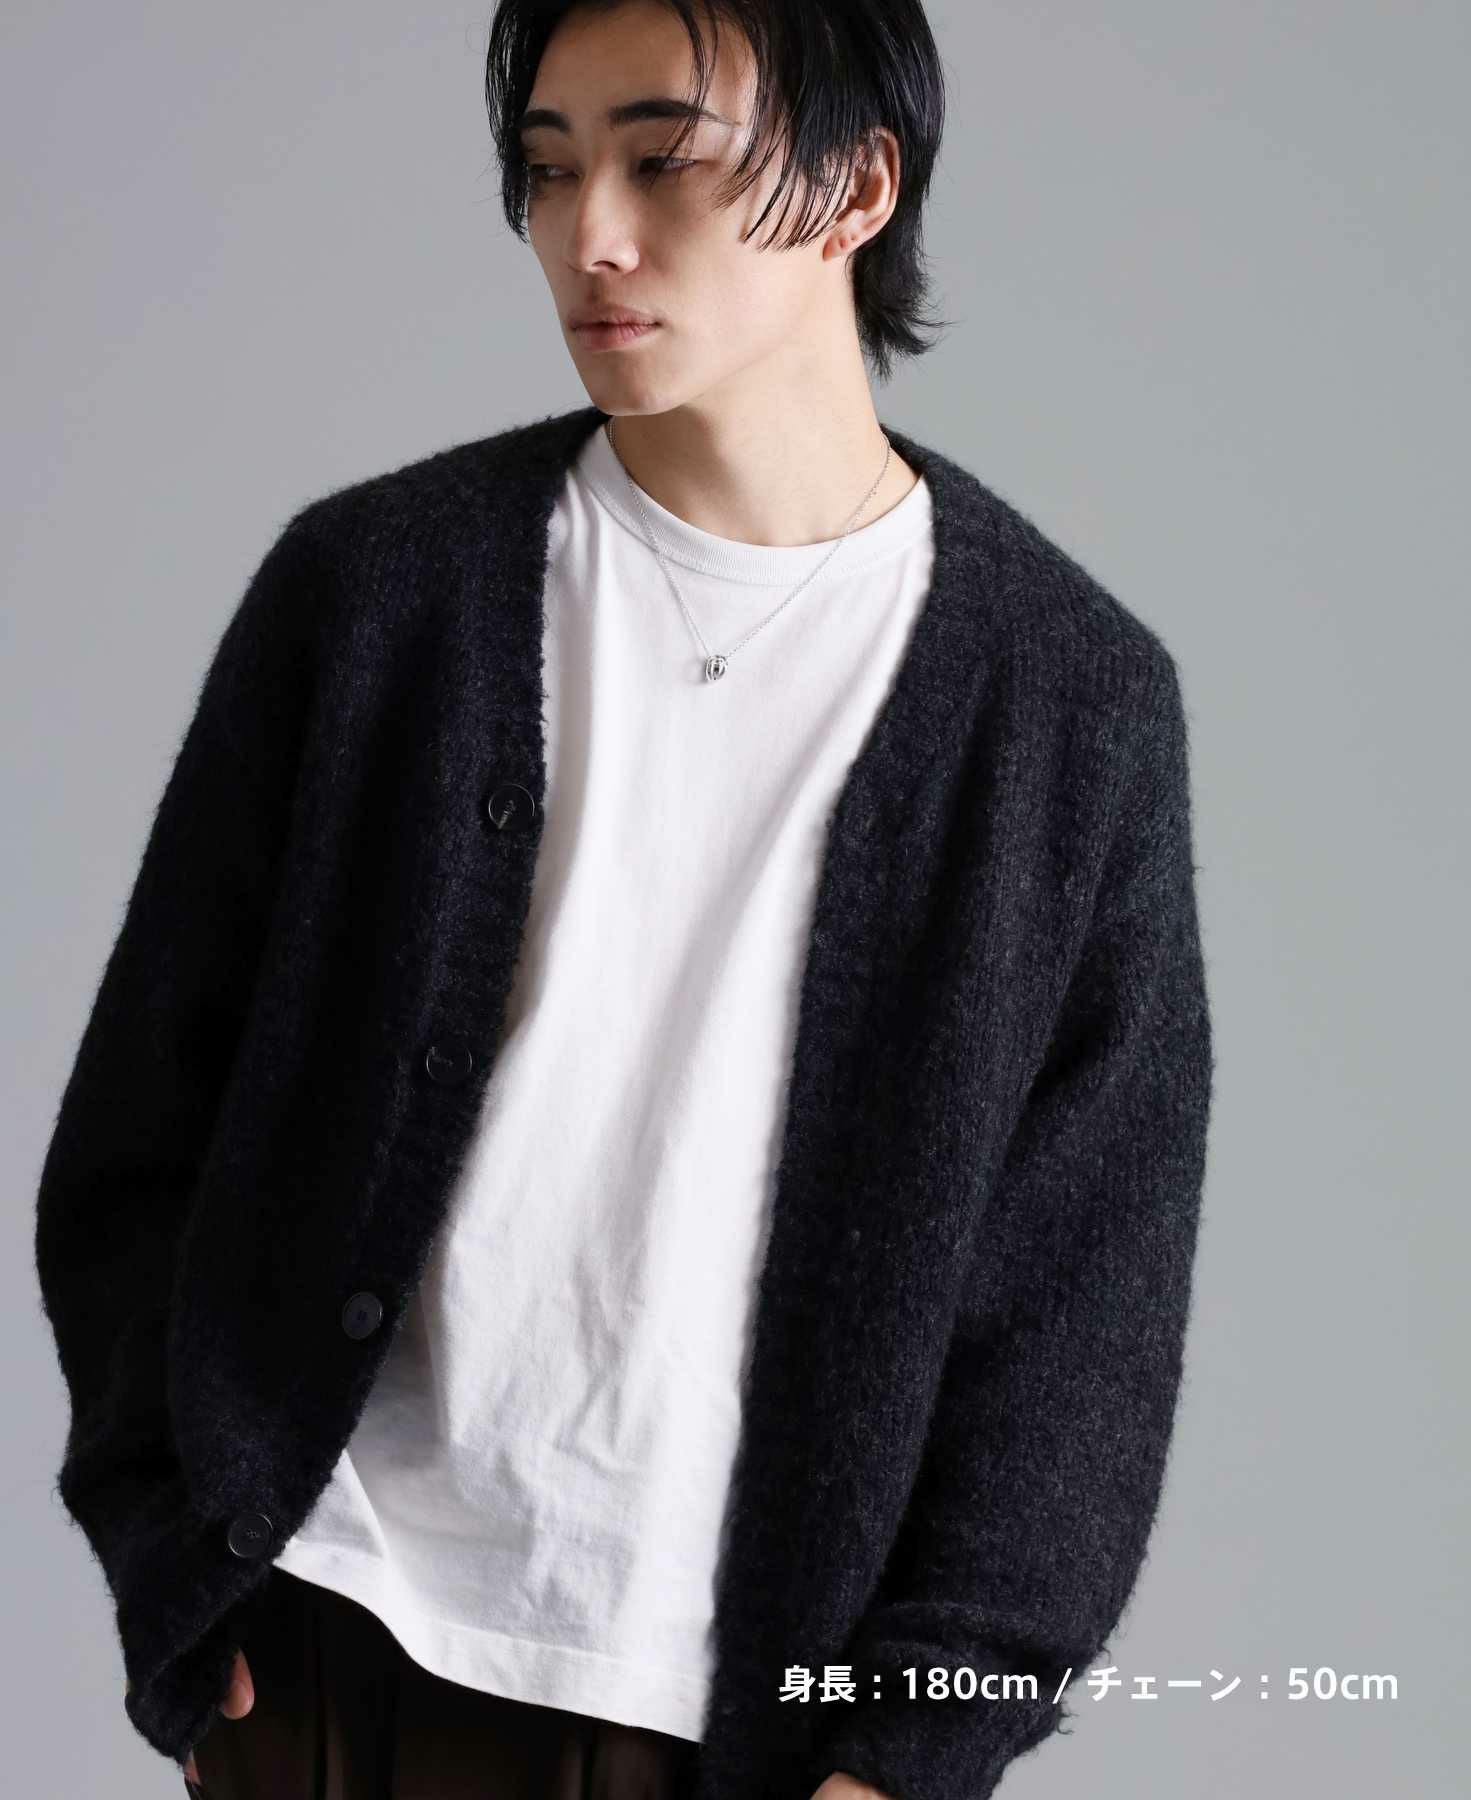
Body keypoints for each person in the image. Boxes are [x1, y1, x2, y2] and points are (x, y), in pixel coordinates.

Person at [35, 4, 1214, 1799]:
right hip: (334, 1639)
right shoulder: (379, 593)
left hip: (740, 1721)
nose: (588, 233)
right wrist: (173, 1556)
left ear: (857, 187)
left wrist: (911, 1750)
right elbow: (143, 1124)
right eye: (547, 167)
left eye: (663, 160)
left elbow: (1077, 1313)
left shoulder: (1063, 704)